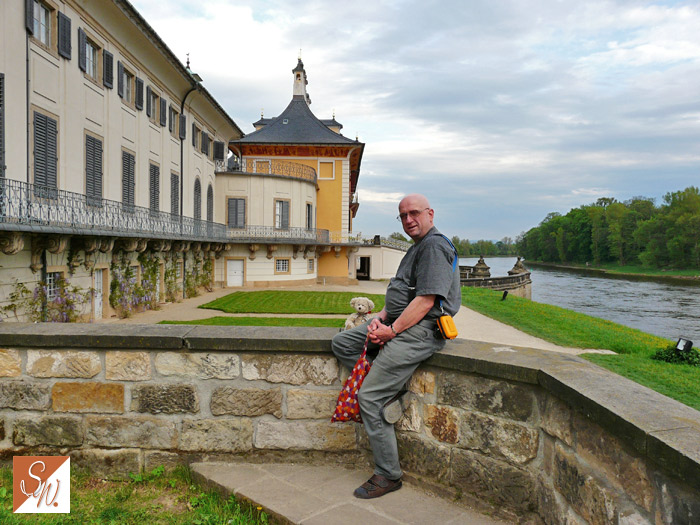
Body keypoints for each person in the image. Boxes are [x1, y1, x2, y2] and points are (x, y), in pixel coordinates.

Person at [331, 193, 461, 499]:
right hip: (397, 323)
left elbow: (426, 301)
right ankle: (393, 387)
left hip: (420, 331)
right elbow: (401, 296)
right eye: (402, 216)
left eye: (414, 213)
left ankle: (388, 474)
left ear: (431, 213)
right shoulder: (417, 248)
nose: (408, 220)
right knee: (343, 343)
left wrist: (390, 331)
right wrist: (378, 320)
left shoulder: (435, 246)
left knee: (370, 397)